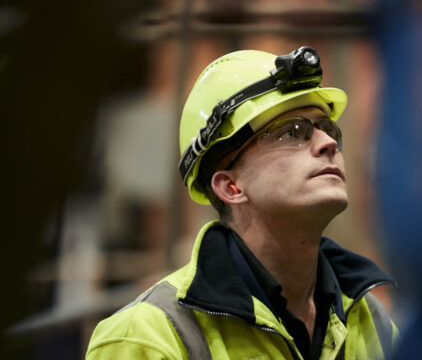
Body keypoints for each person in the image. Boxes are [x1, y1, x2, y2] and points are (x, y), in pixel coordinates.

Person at [86, 46, 397, 360]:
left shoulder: (369, 318)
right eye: (294, 132)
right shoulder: (146, 337)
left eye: (327, 129)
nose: (328, 143)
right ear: (231, 186)